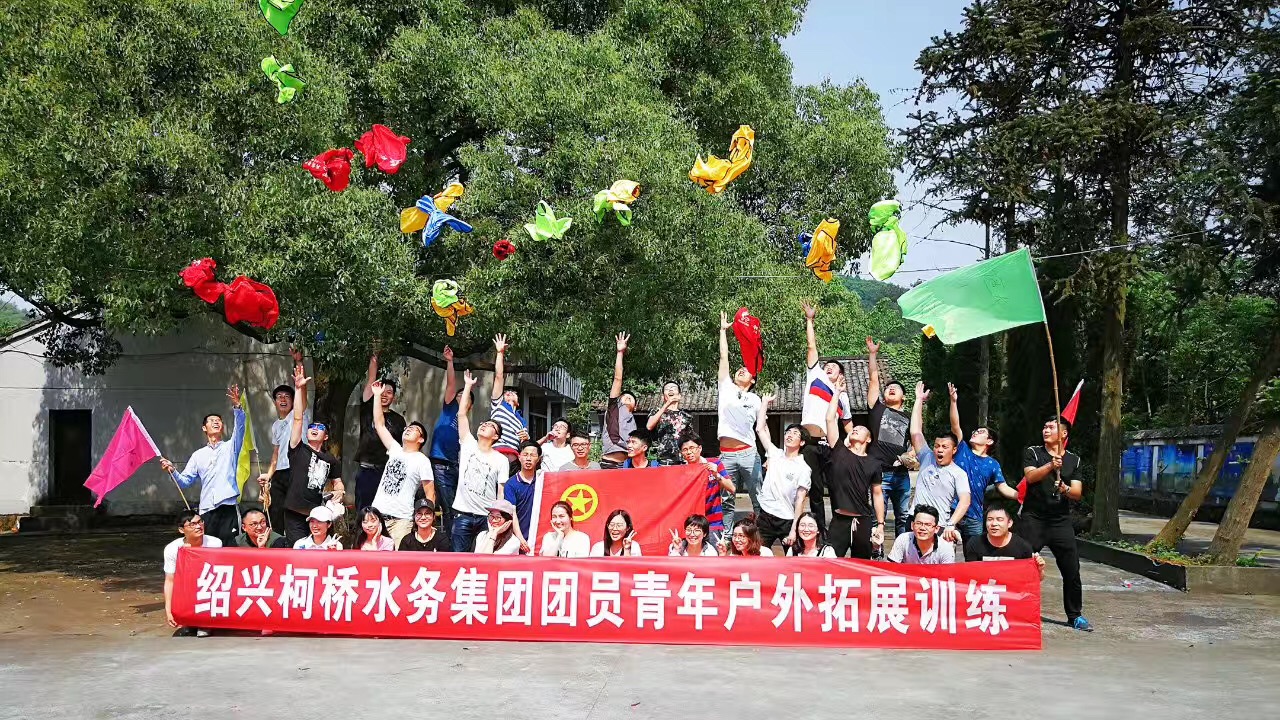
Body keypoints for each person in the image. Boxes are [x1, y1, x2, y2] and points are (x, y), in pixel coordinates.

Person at [1022, 417, 1092, 631]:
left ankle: (1075, 615)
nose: (1045, 430)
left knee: (1071, 569)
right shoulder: (1033, 452)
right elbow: (1030, 477)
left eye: (1051, 427)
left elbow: (1077, 492)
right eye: (1044, 426)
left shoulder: (1074, 460)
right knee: (1022, 564)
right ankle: (1016, 609)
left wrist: (1065, 489)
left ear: (1063, 434)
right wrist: (1050, 465)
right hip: (1034, 518)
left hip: (1060, 521)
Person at [159, 384, 247, 546]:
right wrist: (173, 471)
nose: (216, 422)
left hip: (228, 507)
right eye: (212, 421)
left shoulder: (230, 447)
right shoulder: (198, 455)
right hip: (207, 509)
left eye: (219, 421)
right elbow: (185, 482)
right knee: (208, 547)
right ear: (204, 428)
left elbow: (240, 428)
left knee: (231, 547)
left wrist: (237, 407)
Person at [800, 302, 854, 536]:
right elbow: (811, 347)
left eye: (834, 367)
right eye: (827, 365)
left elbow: (848, 424)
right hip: (811, 442)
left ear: (841, 374)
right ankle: (819, 532)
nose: (828, 367)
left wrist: (854, 444)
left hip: (831, 446)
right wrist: (809, 320)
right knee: (815, 490)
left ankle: (839, 531)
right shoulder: (816, 376)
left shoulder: (843, 397)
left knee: (836, 488)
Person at [279, 366, 343, 545]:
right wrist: (298, 389)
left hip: (317, 514)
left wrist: (339, 491)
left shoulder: (331, 460)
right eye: (311, 427)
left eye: (320, 428)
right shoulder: (298, 448)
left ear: (326, 436)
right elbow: (298, 418)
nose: (314, 429)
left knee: (318, 550)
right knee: (297, 549)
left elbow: (338, 482)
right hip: (294, 511)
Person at [823, 376, 885, 559]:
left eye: (861, 429)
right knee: (831, 561)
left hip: (863, 519)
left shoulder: (874, 463)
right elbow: (829, 419)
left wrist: (881, 524)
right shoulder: (839, 451)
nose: (855, 429)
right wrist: (837, 392)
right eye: (853, 428)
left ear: (869, 439)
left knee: (862, 564)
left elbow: (877, 494)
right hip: (840, 519)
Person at [948, 382, 1017, 543]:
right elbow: (955, 425)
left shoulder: (993, 464)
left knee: (973, 552)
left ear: (989, 441)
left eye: (980, 432)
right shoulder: (962, 449)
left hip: (974, 514)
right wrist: (953, 401)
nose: (975, 433)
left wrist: (1021, 496)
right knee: (945, 550)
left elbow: (1003, 488)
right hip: (950, 509)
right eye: (975, 431)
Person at [452, 370, 513, 552]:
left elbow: (501, 491)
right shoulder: (468, 444)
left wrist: (498, 516)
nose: (484, 425)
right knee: (459, 557)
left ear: (496, 437)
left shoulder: (501, 459)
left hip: (486, 516)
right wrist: (468, 386)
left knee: (485, 556)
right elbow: (462, 414)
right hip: (462, 513)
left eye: (490, 426)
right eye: (483, 424)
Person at [369, 381, 434, 546]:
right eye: (407, 428)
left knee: (398, 558)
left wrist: (427, 521)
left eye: (414, 429)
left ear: (421, 439)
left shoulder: (422, 460)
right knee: (373, 556)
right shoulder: (395, 449)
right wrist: (376, 396)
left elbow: (430, 493)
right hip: (377, 516)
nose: (408, 429)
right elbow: (379, 424)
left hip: (401, 520)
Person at [908, 382, 970, 546]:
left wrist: (951, 523)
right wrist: (918, 400)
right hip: (915, 521)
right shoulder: (926, 457)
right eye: (936, 446)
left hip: (940, 526)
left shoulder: (958, 473)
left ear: (954, 450)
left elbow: (965, 501)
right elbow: (915, 431)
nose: (939, 450)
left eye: (944, 447)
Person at [716, 311, 763, 530]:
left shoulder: (756, 399)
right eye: (740, 369)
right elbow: (723, 357)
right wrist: (723, 331)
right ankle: (725, 535)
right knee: (726, 499)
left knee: (757, 496)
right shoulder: (725, 387)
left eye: (746, 370)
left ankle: (762, 533)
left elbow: (762, 427)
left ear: (753, 380)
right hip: (726, 454)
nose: (741, 370)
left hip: (748, 453)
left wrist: (770, 453)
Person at [865, 336, 914, 540]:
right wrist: (872, 354)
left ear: (903, 397)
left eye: (896, 388)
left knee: (903, 517)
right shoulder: (877, 409)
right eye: (888, 388)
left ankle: (903, 553)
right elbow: (874, 380)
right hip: (879, 472)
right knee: (877, 518)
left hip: (901, 474)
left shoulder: (909, 417)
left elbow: (916, 443)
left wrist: (909, 456)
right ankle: (876, 552)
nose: (891, 388)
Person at [258, 346, 307, 532]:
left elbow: (302, 394)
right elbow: (275, 454)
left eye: (287, 396)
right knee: (275, 511)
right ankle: (277, 542)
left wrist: (299, 362)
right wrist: (268, 476)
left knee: (296, 513)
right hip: (280, 473)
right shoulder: (276, 425)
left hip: (297, 470)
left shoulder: (299, 414)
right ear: (275, 402)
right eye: (279, 397)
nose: (283, 399)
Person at [754, 394, 811, 551]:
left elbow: (800, 500)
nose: (790, 435)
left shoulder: (803, 468)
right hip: (765, 515)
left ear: (802, 442)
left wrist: (794, 530)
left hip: (787, 518)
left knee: (792, 558)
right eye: (788, 432)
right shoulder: (775, 453)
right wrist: (764, 403)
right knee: (758, 554)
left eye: (795, 434)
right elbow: (760, 429)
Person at [354, 351, 407, 514]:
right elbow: (371, 379)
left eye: (389, 393)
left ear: (394, 397)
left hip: (387, 470)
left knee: (384, 512)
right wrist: (374, 355)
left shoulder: (399, 420)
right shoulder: (368, 408)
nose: (384, 395)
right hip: (367, 469)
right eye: (382, 391)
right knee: (364, 510)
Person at [163, 511, 222, 635]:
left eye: (200, 522)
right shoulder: (172, 549)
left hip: (208, 585)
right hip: (186, 587)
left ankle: (206, 621)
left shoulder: (215, 543)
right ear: (181, 530)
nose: (198, 526)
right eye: (192, 524)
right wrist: (169, 611)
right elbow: (170, 580)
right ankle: (189, 620)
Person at [428, 345, 461, 541]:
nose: (460, 397)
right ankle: (450, 544)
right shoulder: (451, 409)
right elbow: (451, 385)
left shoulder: (465, 424)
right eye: (459, 395)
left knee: (455, 507)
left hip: (454, 465)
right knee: (449, 508)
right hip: (441, 463)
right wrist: (450, 362)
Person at [964, 504, 1047, 578]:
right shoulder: (975, 543)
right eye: (990, 519)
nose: (994, 524)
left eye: (999, 519)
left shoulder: (1023, 547)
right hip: (985, 587)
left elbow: (1034, 579)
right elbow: (969, 574)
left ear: (1009, 523)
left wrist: (1039, 570)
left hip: (1011, 588)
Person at [679, 431, 734, 542]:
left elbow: (731, 488)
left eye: (692, 448)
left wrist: (717, 475)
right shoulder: (681, 472)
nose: (689, 452)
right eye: (685, 450)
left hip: (713, 523)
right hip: (692, 525)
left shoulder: (715, 463)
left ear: (699, 448)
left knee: (714, 552)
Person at [490, 334, 530, 475]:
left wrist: (526, 439)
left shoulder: (522, 420)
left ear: (518, 402)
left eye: (513, 393)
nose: (509, 393)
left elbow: (524, 444)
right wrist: (500, 353)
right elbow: (499, 377)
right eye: (506, 392)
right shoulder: (498, 405)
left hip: (514, 461)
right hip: (496, 454)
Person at [600, 332, 637, 469]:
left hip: (628, 465)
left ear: (635, 407)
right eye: (623, 396)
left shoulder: (633, 422)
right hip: (609, 464)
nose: (626, 398)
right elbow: (618, 378)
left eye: (630, 398)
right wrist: (620, 353)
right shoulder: (614, 408)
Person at [886, 505, 956, 564]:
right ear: (912, 525)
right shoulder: (903, 540)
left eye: (928, 525)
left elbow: (947, 575)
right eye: (918, 523)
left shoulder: (945, 549)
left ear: (936, 529)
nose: (922, 528)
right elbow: (890, 568)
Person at [647, 381, 693, 465]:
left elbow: (690, 439)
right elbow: (649, 426)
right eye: (667, 389)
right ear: (663, 396)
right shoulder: (657, 412)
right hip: (661, 460)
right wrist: (667, 404)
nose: (670, 390)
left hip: (682, 459)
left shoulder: (686, 416)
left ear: (679, 395)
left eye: (674, 388)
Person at [504, 440, 542, 541]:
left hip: (539, 537)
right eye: (525, 455)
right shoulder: (511, 484)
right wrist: (520, 538)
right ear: (519, 457)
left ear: (538, 459)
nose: (528, 458)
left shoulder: (543, 481)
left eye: (533, 455)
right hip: (519, 537)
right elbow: (512, 513)